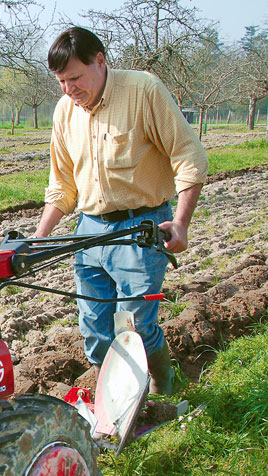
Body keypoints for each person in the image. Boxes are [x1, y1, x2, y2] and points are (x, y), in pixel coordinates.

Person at [32, 26, 208, 394]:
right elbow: (62, 185)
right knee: (94, 327)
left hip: (141, 229)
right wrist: (37, 239)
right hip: (90, 231)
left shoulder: (142, 90)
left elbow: (189, 157)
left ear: (100, 61)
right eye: (61, 81)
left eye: (75, 78)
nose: (69, 89)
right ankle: (115, 398)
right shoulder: (66, 111)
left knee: (137, 327)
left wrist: (181, 223)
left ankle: (162, 386)